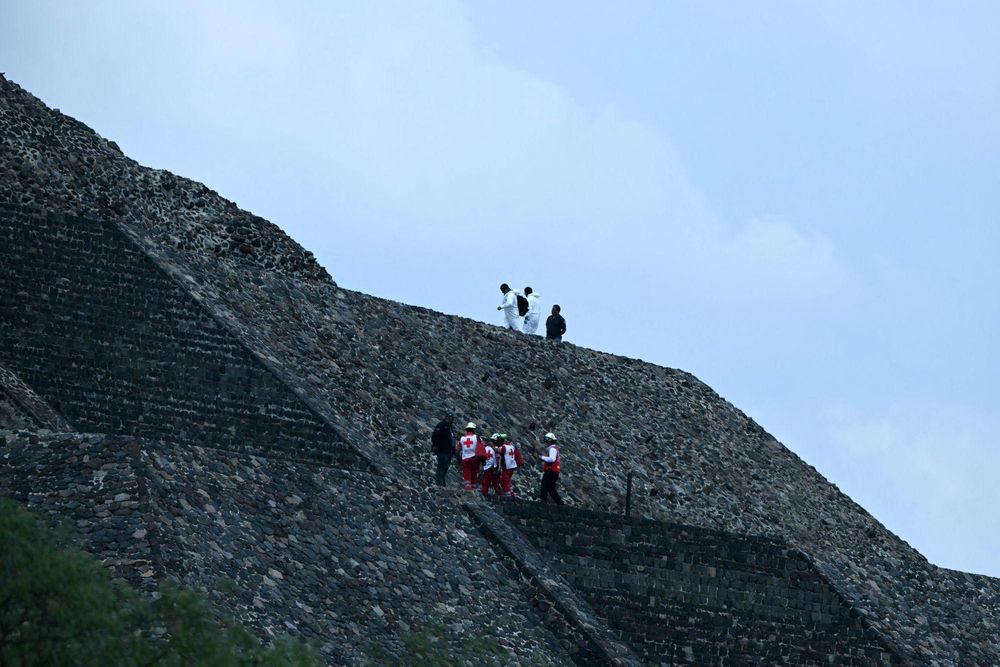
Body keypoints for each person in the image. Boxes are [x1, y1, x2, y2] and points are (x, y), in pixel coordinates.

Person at [455, 422, 486, 491]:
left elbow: (458, 448)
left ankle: (467, 486)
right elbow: (482, 446)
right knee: (474, 471)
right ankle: (473, 484)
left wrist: (458, 458)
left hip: (465, 458)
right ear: (474, 430)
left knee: (467, 471)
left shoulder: (462, 438)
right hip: (474, 457)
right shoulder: (476, 437)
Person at [430, 412, 456, 486]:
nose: (450, 419)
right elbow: (435, 435)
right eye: (449, 417)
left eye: (452, 418)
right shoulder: (441, 425)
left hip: (449, 451)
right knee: (441, 465)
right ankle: (439, 481)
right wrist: (435, 445)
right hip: (443, 450)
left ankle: (442, 480)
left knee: (445, 466)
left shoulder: (450, 428)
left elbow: (452, 439)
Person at [539, 432, 564, 505]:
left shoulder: (552, 449)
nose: (545, 443)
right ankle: (560, 503)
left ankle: (543, 502)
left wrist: (542, 458)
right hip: (555, 471)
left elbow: (552, 459)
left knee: (544, 486)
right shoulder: (555, 448)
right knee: (551, 489)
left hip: (551, 471)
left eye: (546, 441)